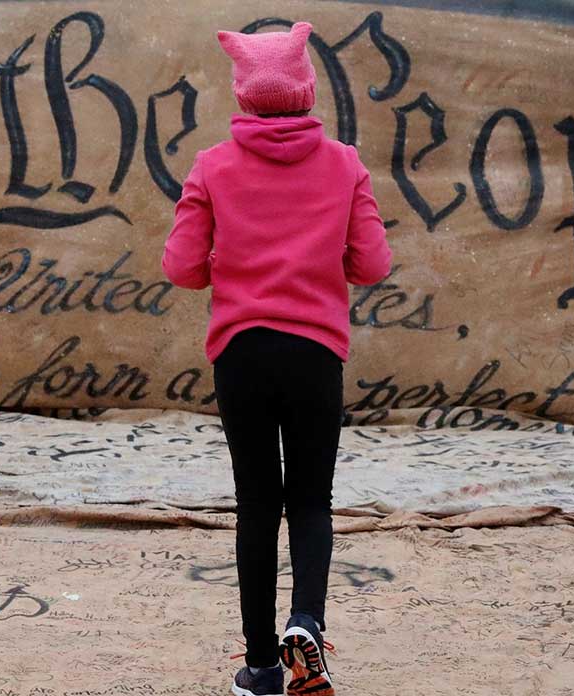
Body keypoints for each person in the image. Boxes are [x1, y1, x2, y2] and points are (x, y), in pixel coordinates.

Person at [160, 20, 392, 696]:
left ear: (244, 95)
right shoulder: (346, 164)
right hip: (316, 353)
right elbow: (372, 263)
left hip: (241, 354)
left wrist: (228, 271)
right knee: (312, 501)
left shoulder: (212, 167)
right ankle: (307, 624)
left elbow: (179, 266)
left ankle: (262, 668)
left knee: (257, 505)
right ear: (306, 89)